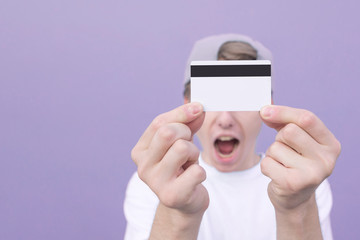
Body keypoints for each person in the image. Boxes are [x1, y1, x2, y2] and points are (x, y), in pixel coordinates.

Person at [124, 34, 341, 240]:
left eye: (241, 99)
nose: (225, 119)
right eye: (212, 99)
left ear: (267, 106)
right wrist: (178, 214)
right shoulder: (154, 182)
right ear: (186, 105)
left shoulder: (303, 182)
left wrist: (297, 207)